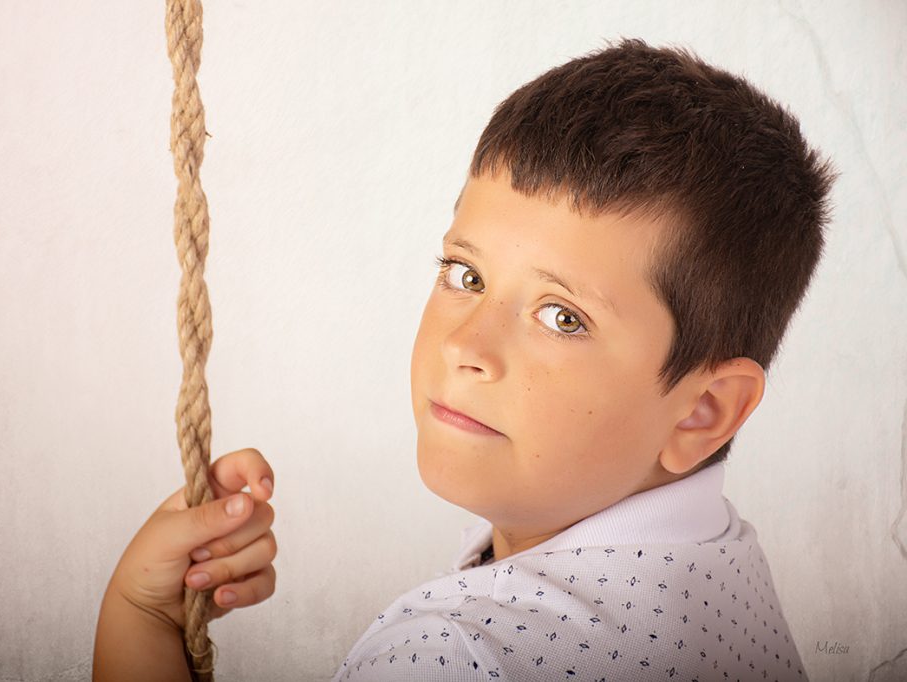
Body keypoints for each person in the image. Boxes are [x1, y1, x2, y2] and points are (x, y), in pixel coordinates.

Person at [93, 37, 835, 681]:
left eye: (561, 317)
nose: (464, 346)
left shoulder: (453, 653)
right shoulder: (719, 556)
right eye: (465, 275)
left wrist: (135, 621)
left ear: (703, 411)